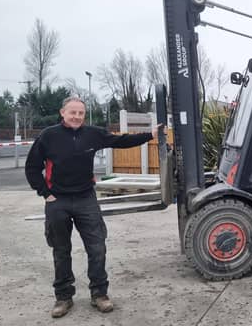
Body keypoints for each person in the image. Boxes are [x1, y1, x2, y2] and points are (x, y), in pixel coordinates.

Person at [25, 97, 160, 318]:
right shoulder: (49, 136)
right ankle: (63, 297)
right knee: (61, 251)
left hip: (86, 199)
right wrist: (45, 193)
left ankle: (99, 294)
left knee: (97, 248)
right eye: (73, 112)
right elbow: (32, 167)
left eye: (81, 113)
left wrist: (150, 135)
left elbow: (121, 141)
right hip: (57, 201)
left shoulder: (93, 134)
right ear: (62, 112)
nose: (77, 116)